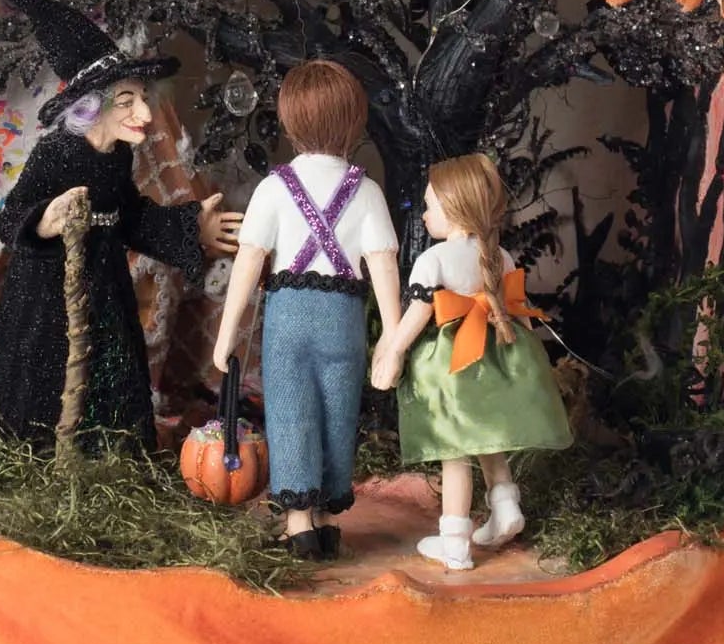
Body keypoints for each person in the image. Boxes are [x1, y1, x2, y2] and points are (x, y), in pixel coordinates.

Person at [0, 0, 240, 445]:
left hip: (105, 289)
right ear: (92, 106)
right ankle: (40, 453)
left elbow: (130, 216)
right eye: (127, 100)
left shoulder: (118, 155)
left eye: (142, 98)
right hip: (48, 297)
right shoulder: (57, 152)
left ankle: (113, 452)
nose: (144, 113)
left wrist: (190, 227)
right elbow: (10, 217)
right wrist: (45, 222)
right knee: (50, 386)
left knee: (111, 376)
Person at [213, 61, 402, 559]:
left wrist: (228, 332)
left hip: (289, 320)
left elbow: (248, 262)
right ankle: (325, 519)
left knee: (291, 409)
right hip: (344, 320)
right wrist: (392, 337)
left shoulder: (274, 188)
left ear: (290, 120)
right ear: (355, 121)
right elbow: (384, 265)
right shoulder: (367, 191)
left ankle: (300, 524)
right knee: (339, 412)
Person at [370, 154, 572, 570]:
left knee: (456, 451)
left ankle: (455, 543)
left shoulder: (433, 260)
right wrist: (530, 360)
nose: (424, 215)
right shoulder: (501, 256)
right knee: (487, 437)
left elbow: (417, 315)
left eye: (430, 206)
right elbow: (515, 309)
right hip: (494, 357)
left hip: (453, 368)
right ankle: (506, 505)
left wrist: (393, 352)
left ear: (454, 206)